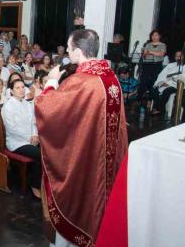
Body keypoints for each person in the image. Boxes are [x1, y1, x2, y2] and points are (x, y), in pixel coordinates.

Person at [35, 29, 128, 246]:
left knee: (77, 204)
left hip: (83, 162)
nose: (67, 52)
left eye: (69, 49)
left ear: (77, 51)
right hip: (100, 158)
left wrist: (51, 81)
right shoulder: (110, 77)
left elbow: (48, 110)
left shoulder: (81, 82)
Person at [1, 79, 41, 199]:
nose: (21, 90)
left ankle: (42, 179)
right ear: (11, 91)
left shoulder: (27, 104)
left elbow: (33, 122)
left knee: (49, 148)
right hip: (16, 142)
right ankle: (34, 185)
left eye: (23, 87)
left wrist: (35, 135)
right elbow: (12, 129)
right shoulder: (8, 107)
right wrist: (30, 138)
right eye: (17, 88)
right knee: (39, 154)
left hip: (30, 138)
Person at [137, 30, 166, 106]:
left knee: (153, 83)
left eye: (156, 35)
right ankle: (139, 99)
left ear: (159, 36)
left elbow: (161, 54)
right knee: (143, 82)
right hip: (147, 65)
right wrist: (144, 53)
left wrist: (150, 52)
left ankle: (150, 100)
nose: (154, 37)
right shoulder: (148, 44)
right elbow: (144, 55)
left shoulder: (163, 45)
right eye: (153, 35)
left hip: (157, 65)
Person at [151, 50, 184, 115]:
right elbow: (162, 75)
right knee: (154, 90)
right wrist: (162, 82)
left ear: (183, 57)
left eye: (180, 56)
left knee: (167, 91)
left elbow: (181, 78)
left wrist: (169, 83)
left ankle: (158, 109)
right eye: (176, 56)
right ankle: (161, 109)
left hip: (177, 86)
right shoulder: (170, 65)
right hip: (166, 82)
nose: (178, 58)